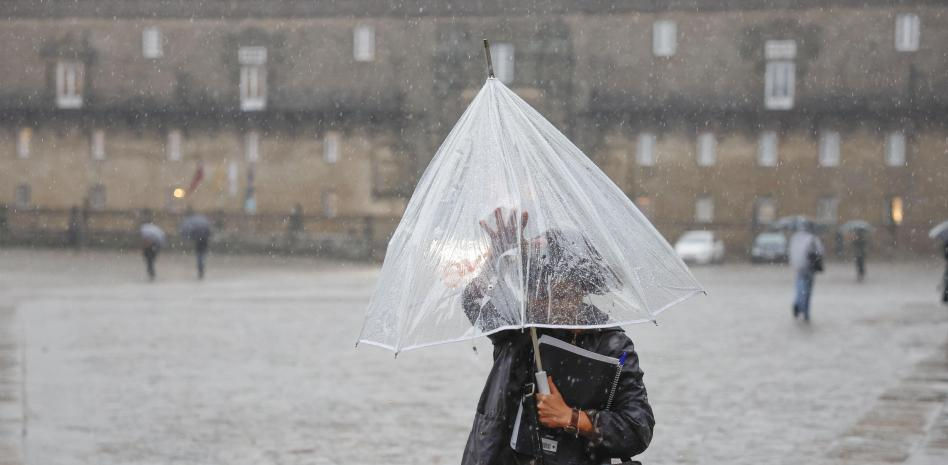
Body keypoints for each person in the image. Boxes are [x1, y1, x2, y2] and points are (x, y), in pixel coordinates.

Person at [460, 208, 654, 465]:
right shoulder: (518, 331)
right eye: (535, 289)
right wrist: (495, 261)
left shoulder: (612, 346)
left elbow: (637, 428)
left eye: (558, 293)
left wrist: (572, 418)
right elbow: (474, 302)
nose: (542, 302)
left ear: (582, 287)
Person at [789, 222, 824, 322]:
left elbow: (791, 252)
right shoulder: (812, 238)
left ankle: (799, 303)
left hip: (799, 267)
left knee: (800, 287)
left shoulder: (795, 238)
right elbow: (820, 251)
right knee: (808, 291)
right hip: (809, 267)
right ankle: (806, 311)